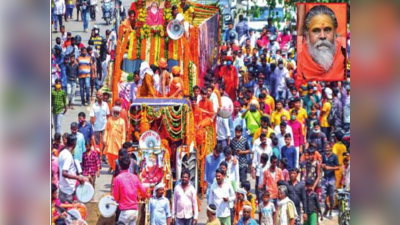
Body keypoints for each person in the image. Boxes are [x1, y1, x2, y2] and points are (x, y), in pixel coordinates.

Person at [297, 5, 346, 80]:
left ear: (335, 32)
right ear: (307, 34)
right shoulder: (299, 62)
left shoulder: (344, 59)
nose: (322, 36)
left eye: (327, 29)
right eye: (316, 30)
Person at [113, 155, 148, 225]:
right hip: (134, 211)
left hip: (125, 211)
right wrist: (141, 197)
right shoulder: (134, 177)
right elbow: (143, 191)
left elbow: (116, 197)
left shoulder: (118, 179)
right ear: (129, 165)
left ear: (119, 166)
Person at [58, 134, 88, 203]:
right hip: (68, 191)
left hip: (62, 188)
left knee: (61, 212)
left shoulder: (62, 153)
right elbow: (64, 173)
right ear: (74, 143)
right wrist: (77, 177)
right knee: (68, 212)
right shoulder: (68, 156)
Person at [90, 91, 110, 163]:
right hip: (96, 127)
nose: (100, 97)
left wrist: (109, 125)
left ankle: (104, 156)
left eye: (101, 95)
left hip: (104, 126)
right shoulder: (94, 106)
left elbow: (108, 115)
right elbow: (92, 117)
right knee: (97, 143)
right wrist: (92, 126)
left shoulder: (106, 105)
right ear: (96, 97)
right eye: (98, 95)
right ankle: (98, 157)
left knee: (104, 141)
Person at [104, 106, 126, 173]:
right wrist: (105, 138)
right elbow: (106, 130)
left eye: (117, 112)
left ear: (119, 113)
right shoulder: (110, 119)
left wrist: (123, 141)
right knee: (110, 155)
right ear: (113, 112)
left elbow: (123, 132)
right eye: (115, 112)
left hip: (118, 141)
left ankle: (115, 168)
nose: (116, 113)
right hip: (110, 140)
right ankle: (111, 166)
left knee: (117, 155)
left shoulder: (122, 121)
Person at [321, 143, 339, 219]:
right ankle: (326, 207)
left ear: (330, 148)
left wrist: (330, 168)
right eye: (326, 148)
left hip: (332, 178)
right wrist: (322, 165)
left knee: (331, 196)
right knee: (323, 195)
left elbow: (338, 167)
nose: (327, 150)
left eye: (328, 148)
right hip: (324, 178)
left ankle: (331, 211)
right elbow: (321, 163)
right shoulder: (323, 155)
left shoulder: (334, 156)